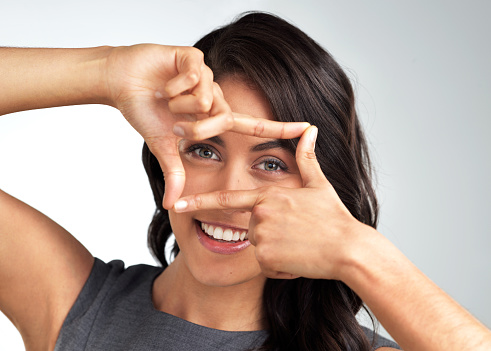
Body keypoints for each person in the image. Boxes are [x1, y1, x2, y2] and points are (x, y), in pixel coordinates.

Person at [0, 11, 489, 351]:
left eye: (271, 164)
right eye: (205, 150)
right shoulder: (71, 302)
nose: (226, 197)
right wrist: (105, 71)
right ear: (164, 155)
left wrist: (356, 250)